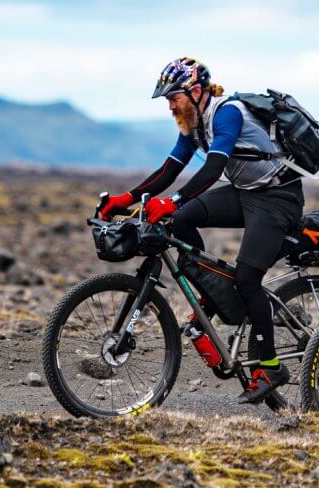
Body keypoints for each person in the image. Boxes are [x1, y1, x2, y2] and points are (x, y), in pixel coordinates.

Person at [97, 57, 304, 404]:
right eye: (167, 101)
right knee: (178, 220)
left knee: (248, 279)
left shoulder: (227, 113)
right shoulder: (193, 123)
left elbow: (214, 167)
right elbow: (170, 167)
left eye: (173, 98)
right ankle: (209, 288)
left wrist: (173, 200)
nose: (170, 107)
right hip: (246, 193)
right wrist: (126, 198)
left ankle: (269, 366)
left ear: (195, 91)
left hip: (277, 198)